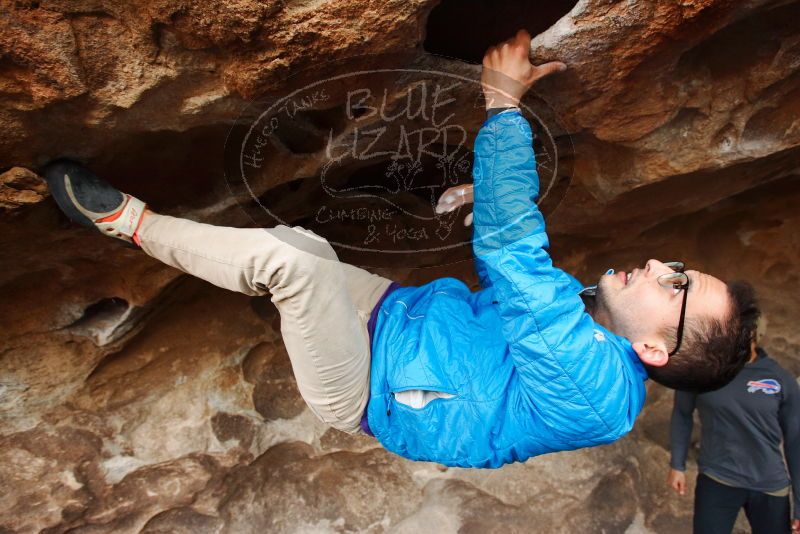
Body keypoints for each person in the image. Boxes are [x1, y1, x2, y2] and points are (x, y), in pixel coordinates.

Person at [43, 30, 758, 469]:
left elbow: (516, 259)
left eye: (676, 286)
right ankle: (250, 276)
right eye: (678, 267)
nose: (664, 266)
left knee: (288, 267)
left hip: (373, 391)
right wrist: (485, 197)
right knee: (301, 243)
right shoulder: (589, 319)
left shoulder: (598, 393)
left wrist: (503, 106)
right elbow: (520, 281)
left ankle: (122, 221)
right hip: (397, 320)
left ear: (656, 352)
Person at [667, 325, 800, 534]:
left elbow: (795, 440)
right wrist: (677, 464)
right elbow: (682, 414)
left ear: (754, 334)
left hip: (769, 483)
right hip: (717, 476)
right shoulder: (705, 371)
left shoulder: (780, 379)